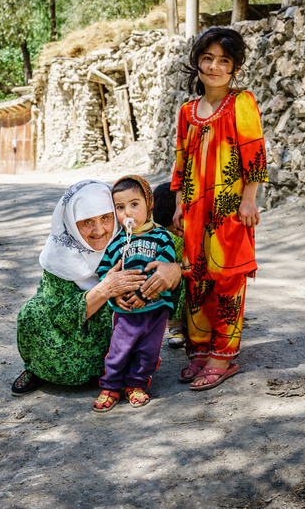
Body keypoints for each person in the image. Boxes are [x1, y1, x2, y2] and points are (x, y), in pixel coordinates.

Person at [12, 180, 183, 396]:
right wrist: (104, 290)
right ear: (72, 222)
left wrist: (174, 271)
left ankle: (126, 374)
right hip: (74, 328)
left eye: (105, 217)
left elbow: (177, 281)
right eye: (86, 222)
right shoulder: (60, 253)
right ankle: (39, 370)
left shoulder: (138, 236)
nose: (99, 230)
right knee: (31, 314)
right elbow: (60, 316)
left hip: (118, 328)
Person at [170, 27, 268, 391]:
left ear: (235, 68)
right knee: (196, 279)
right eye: (208, 58)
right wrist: (179, 205)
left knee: (227, 278)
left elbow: (255, 152)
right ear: (197, 61)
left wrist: (249, 199)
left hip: (229, 209)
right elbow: (181, 160)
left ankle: (223, 357)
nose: (214, 67)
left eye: (223, 61)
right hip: (194, 210)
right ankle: (199, 349)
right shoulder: (187, 111)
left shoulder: (241, 103)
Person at [92, 176, 178, 411]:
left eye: (134, 204)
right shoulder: (116, 243)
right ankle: (110, 386)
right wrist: (112, 294)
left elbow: (164, 268)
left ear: (149, 204)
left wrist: (144, 295)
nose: (127, 212)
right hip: (126, 310)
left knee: (148, 351)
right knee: (119, 349)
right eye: (120, 207)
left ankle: (136, 384)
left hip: (155, 309)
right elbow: (104, 272)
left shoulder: (162, 237)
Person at [152, 181, 188, 349]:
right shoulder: (161, 237)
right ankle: (176, 327)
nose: (178, 233)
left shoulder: (193, 229)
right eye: (173, 231)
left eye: (180, 228)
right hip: (177, 278)